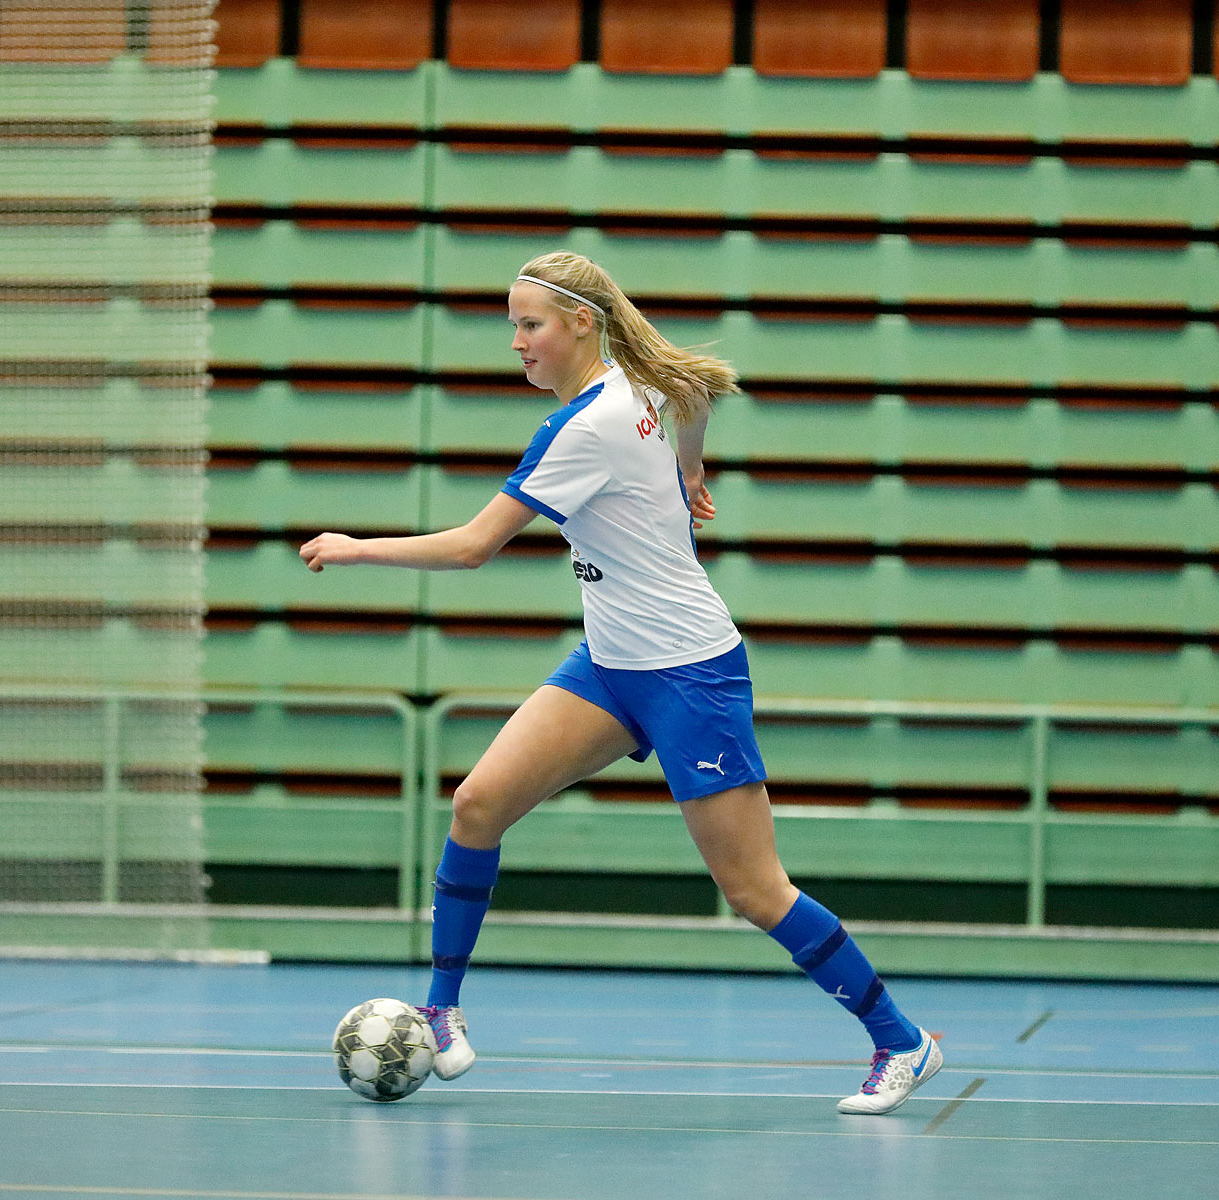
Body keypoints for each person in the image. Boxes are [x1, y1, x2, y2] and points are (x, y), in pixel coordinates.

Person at [299, 251, 943, 1114]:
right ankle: (442, 1011)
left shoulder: (585, 426)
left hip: (689, 674)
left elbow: (473, 547)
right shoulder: (639, 385)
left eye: (529, 325)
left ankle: (902, 1041)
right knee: (478, 805)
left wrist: (354, 547)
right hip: (610, 665)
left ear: (580, 325)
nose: (517, 343)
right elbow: (694, 396)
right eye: (512, 327)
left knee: (756, 891)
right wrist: (690, 467)